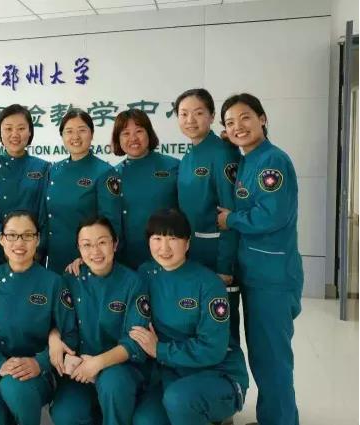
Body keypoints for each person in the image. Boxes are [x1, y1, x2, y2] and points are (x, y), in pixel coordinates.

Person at [217, 93, 303, 425]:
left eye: (245, 118)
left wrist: (231, 219)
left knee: (272, 358)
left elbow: (271, 215)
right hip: (256, 273)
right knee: (264, 356)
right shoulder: (248, 160)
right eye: (230, 123)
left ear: (263, 118)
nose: (238, 127)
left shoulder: (272, 162)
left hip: (272, 277)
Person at [131, 209, 248, 425]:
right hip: (173, 373)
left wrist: (160, 350)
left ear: (187, 243)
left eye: (173, 239)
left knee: (179, 400)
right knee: (145, 421)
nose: (164, 248)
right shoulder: (145, 274)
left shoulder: (208, 284)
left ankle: (218, 413)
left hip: (217, 373)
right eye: (157, 239)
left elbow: (213, 349)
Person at [0, 211, 77, 425]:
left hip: (39, 373)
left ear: (37, 239)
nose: (19, 242)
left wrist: (40, 362)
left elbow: (70, 334)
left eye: (27, 235)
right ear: (1, 239)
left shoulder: (53, 282)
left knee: (14, 388)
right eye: (12, 235)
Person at [50, 216, 145, 425]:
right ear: (78, 249)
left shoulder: (133, 283)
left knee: (113, 385)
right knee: (65, 415)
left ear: (115, 244)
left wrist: (97, 363)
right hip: (79, 368)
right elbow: (57, 321)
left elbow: (135, 342)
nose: (95, 251)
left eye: (102, 242)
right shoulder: (70, 278)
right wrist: (53, 337)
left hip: (119, 369)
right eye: (86, 245)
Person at [174, 88, 241, 342]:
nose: (190, 120)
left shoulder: (223, 153)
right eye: (183, 114)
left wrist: (225, 266)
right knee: (198, 326)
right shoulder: (189, 155)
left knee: (222, 328)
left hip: (216, 258)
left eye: (198, 113)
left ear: (212, 116)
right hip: (193, 255)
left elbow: (230, 214)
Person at [44, 108, 122, 273]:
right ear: (62, 136)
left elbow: (111, 221)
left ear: (91, 134)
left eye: (82, 130)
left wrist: (89, 256)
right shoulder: (54, 170)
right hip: (55, 258)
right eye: (69, 131)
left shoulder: (105, 172)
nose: (75, 137)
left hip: (88, 261)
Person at [0, 104, 50, 265]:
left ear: (30, 132)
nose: (15, 134)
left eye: (21, 128)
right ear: (0, 132)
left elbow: (44, 213)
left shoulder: (43, 167)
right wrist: (7, 243)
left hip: (32, 252)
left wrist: (38, 247)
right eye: (8, 129)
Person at [112, 109, 179, 269]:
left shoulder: (173, 167)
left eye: (139, 131)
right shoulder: (113, 175)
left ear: (149, 133)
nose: (133, 138)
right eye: (125, 133)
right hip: (127, 260)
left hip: (168, 255)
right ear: (118, 139)